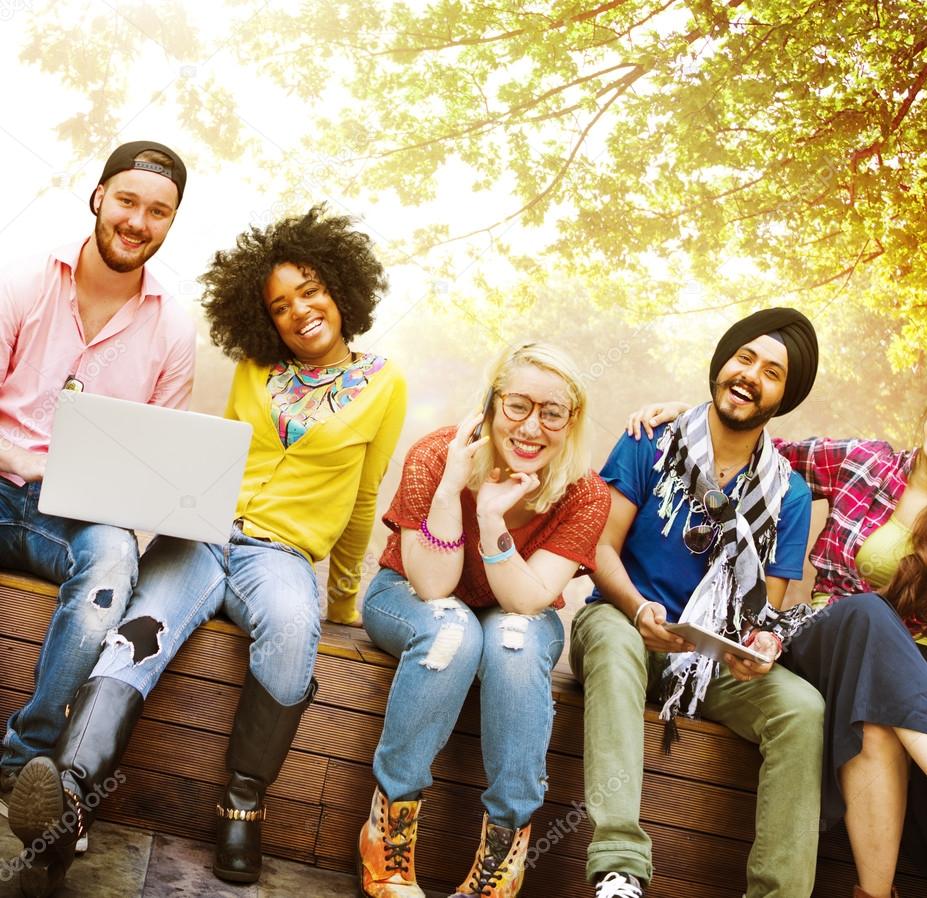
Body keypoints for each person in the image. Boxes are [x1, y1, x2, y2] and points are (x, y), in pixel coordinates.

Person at [7, 206, 407, 897]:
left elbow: (366, 499)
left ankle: (242, 805)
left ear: (341, 288)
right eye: (279, 305)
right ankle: (68, 798)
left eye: (310, 290)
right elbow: (213, 458)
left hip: (280, 557)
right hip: (202, 538)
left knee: (290, 632)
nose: (299, 311)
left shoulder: (384, 384)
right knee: (137, 635)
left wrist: (341, 600)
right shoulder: (256, 369)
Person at [628, 379, 927, 897]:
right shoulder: (863, 460)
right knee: (868, 613)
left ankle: (875, 893)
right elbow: (757, 454)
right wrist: (694, 418)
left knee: (877, 720)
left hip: (923, 677)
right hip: (822, 639)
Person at [576, 308, 825, 898]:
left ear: (783, 397)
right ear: (721, 362)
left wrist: (760, 646)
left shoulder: (787, 492)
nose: (750, 376)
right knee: (612, 642)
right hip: (625, 622)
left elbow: (769, 610)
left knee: (803, 708)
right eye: (744, 357)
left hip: (710, 659)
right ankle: (619, 867)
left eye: (772, 372)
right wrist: (638, 608)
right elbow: (600, 549)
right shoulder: (649, 441)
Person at [356, 340, 610, 898]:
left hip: (515, 606)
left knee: (514, 645)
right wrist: (454, 485)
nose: (531, 427)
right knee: (453, 632)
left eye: (552, 413)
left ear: (572, 421)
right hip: (408, 593)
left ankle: (504, 855)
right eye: (518, 405)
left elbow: (527, 600)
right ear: (493, 404)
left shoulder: (585, 494)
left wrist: (492, 518)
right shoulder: (435, 454)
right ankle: (388, 833)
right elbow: (434, 586)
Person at [0, 141, 195, 812]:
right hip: (2, 483)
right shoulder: (24, 281)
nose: (139, 221)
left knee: (114, 564)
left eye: (159, 212)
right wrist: (21, 460)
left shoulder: (172, 329)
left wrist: (149, 496)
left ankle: (25, 764)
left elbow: (154, 464)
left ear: (171, 223)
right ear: (99, 197)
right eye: (128, 201)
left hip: (76, 516)